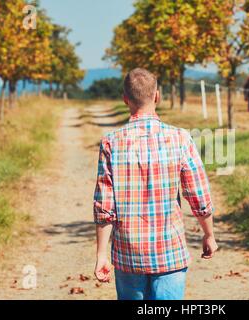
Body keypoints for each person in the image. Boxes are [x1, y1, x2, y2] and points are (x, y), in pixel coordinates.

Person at [93, 68, 218, 300]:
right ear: (157, 96)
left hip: (128, 256)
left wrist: (102, 254)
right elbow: (198, 194)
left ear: (125, 99)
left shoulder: (110, 143)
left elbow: (104, 207)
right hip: (169, 253)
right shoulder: (180, 138)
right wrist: (208, 234)